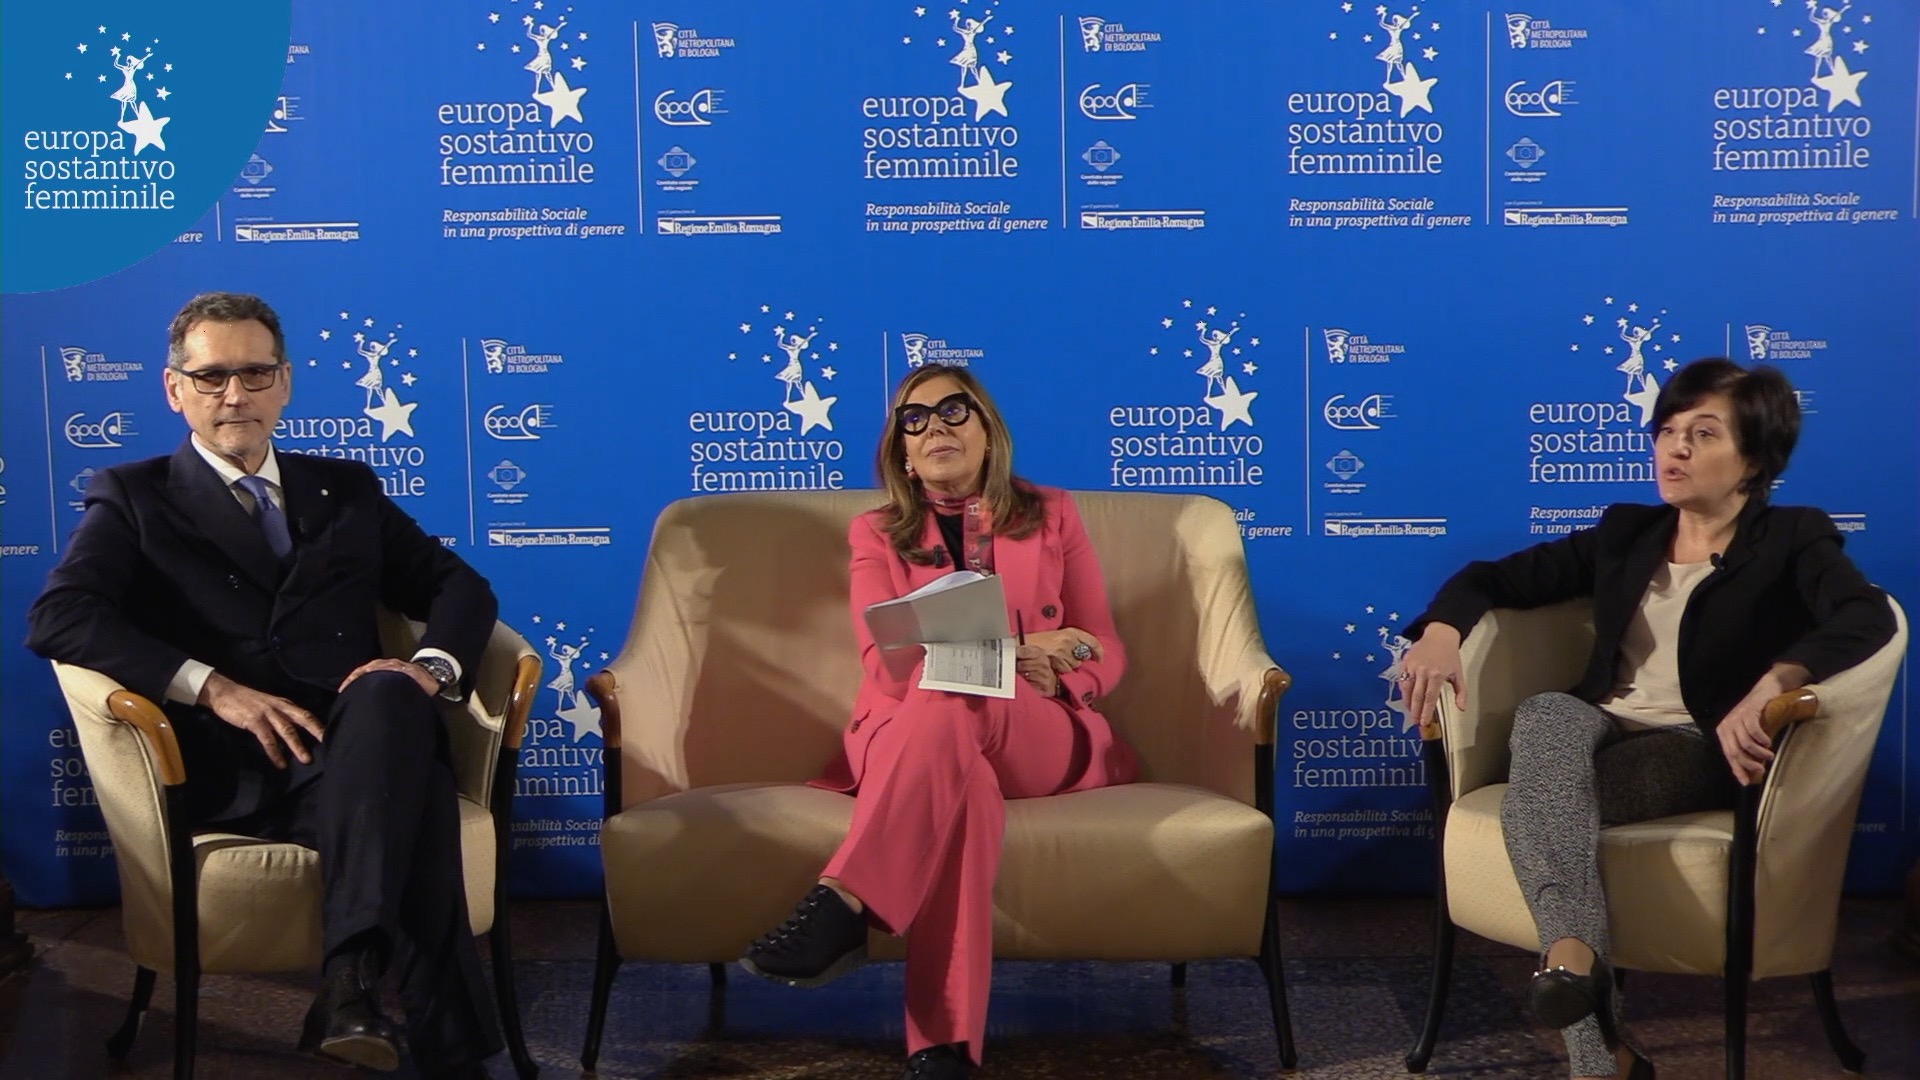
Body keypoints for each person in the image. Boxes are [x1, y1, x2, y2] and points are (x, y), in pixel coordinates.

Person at [26, 292, 504, 1079]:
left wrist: (429, 668)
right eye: (210, 377)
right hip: (240, 768)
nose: (234, 395)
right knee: (416, 794)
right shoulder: (135, 496)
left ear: (284, 382)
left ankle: (350, 988)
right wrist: (213, 688)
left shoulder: (346, 489)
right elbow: (60, 616)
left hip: (360, 743)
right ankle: (441, 1047)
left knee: (391, 696)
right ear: (174, 389)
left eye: (254, 373)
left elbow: (460, 588)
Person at [1397, 358, 1894, 1080]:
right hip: (1600, 720)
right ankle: (1579, 968)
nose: (1675, 448)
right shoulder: (1628, 532)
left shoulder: (1793, 537)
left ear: (1754, 459)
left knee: (1540, 801)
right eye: (1667, 431)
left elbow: (1866, 615)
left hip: (1697, 742)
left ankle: (1594, 1041)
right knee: (1544, 716)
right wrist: (1442, 632)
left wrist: (1775, 683)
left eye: (1703, 433)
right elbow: (1492, 578)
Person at [739, 366, 1141, 1079]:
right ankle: (944, 1049)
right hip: (915, 733)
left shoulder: (1051, 513)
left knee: (956, 688)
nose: (935, 428)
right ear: (901, 451)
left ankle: (847, 899)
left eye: (954, 410)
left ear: (988, 430)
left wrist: (1066, 667)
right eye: (914, 419)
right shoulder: (875, 533)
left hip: (1035, 730)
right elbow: (888, 665)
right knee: (962, 778)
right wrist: (1020, 646)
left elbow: (1103, 645)